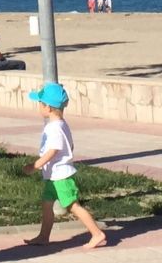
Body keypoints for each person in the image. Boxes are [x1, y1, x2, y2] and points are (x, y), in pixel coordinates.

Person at [23, 82, 109, 250]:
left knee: (72, 206)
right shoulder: (62, 124)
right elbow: (70, 145)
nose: (38, 106)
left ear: (48, 107)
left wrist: (35, 165)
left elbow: (53, 150)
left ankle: (97, 233)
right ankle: (44, 236)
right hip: (53, 176)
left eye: (40, 103)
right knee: (47, 203)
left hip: (61, 176)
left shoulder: (54, 128)